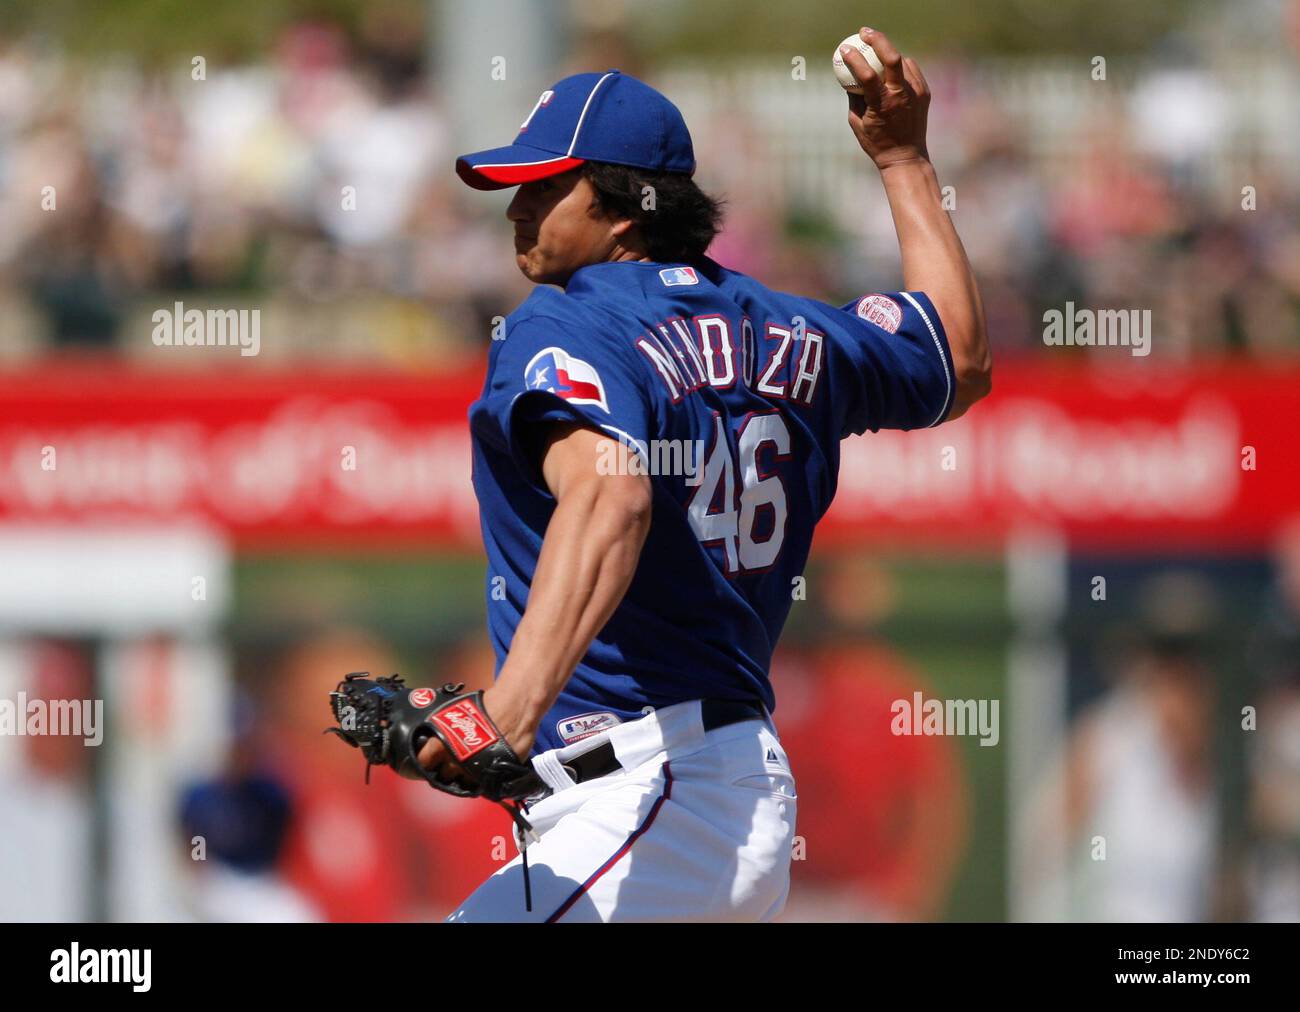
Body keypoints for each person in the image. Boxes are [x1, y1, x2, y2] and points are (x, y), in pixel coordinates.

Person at [417, 27, 991, 922]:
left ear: (622, 209)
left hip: (653, 793)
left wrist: (505, 716)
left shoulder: (568, 324)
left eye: (544, 187)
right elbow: (955, 357)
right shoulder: (790, 327)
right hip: (698, 795)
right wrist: (907, 160)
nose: (516, 209)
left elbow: (612, 493)